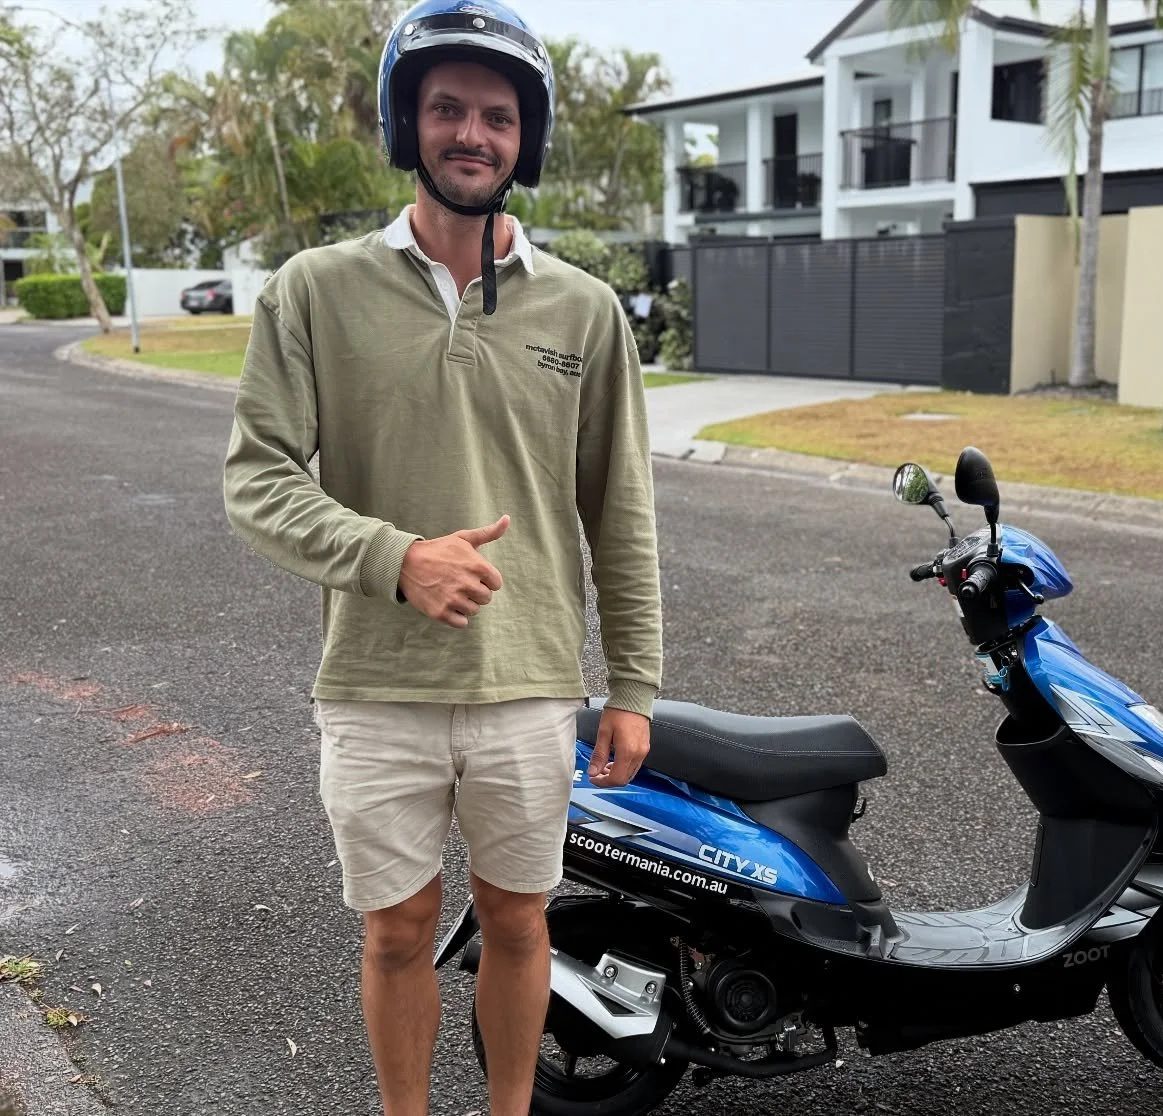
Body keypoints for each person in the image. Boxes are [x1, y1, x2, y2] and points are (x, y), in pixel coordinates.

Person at [220, 2, 662, 1113]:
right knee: (396, 932)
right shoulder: (313, 291)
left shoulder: (587, 310)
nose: (474, 133)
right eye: (448, 108)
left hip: (528, 684)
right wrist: (393, 556)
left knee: (519, 921)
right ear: (406, 123)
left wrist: (636, 686)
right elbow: (257, 478)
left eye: (499, 116)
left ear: (528, 139)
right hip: (376, 683)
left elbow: (623, 512)